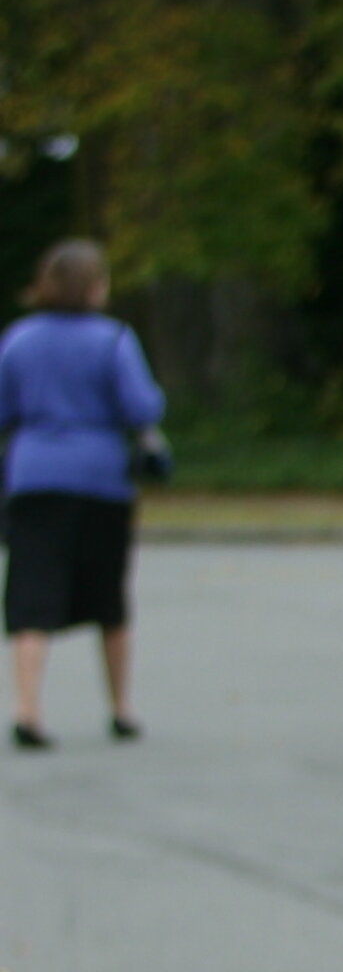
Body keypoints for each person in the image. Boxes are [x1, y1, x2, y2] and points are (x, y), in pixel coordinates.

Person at [1, 239, 166, 750]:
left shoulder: (19, 340)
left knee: (31, 591)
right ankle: (120, 707)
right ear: (96, 287)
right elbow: (142, 407)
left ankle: (29, 710)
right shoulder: (113, 339)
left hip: (33, 476)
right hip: (100, 478)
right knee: (107, 593)